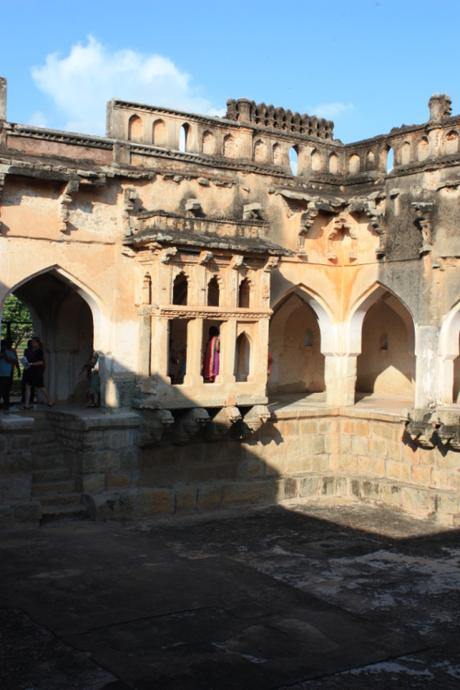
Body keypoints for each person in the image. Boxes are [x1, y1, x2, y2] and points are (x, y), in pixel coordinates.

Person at [23, 337, 52, 408]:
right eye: (32, 342)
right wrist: (25, 363)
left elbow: (41, 362)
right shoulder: (28, 350)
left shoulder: (40, 351)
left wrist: (31, 364)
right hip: (28, 371)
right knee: (28, 387)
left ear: (38, 343)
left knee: (41, 386)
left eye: (34, 342)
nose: (32, 343)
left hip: (37, 371)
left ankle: (49, 400)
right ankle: (27, 404)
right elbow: (25, 359)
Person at [0, 338, 18, 412]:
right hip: (1, 374)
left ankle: (6, 404)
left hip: (7, 374)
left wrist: (5, 355)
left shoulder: (11, 352)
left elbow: (13, 361)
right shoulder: (1, 352)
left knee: (5, 390)